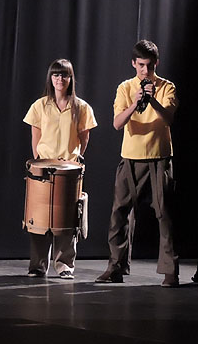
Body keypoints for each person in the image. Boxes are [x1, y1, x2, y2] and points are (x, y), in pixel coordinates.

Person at [96, 39, 179, 287]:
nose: (145, 70)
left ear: (156, 63)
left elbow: (168, 119)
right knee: (119, 213)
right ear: (133, 63)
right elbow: (117, 123)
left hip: (159, 158)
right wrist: (135, 102)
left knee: (164, 214)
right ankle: (116, 267)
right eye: (141, 65)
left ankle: (170, 271)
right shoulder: (125, 87)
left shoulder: (167, 87)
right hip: (131, 158)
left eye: (150, 65)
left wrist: (152, 100)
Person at [23, 59, 97, 279]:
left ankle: (64, 265)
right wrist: (40, 162)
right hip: (44, 169)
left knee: (67, 220)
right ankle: (37, 266)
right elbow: (35, 137)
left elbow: (84, 137)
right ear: (50, 78)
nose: (59, 79)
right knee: (39, 219)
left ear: (70, 78)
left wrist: (72, 159)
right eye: (55, 75)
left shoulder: (81, 107)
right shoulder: (40, 106)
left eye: (64, 75)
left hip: (69, 170)